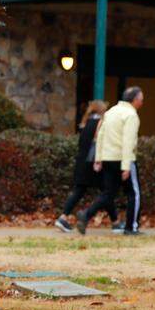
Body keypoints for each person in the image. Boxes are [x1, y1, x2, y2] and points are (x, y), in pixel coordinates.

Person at [77, 86, 143, 236]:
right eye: (141, 99)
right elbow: (128, 141)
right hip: (123, 158)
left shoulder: (110, 112)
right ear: (134, 100)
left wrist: (99, 158)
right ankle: (131, 226)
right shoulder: (131, 115)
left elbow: (100, 135)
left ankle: (86, 214)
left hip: (108, 158)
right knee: (134, 193)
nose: (142, 102)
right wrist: (126, 166)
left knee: (108, 193)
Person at [54, 100, 110, 233]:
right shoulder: (100, 124)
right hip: (93, 163)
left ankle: (63, 217)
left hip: (82, 162)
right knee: (107, 191)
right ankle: (116, 221)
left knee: (80, 191)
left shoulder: (85, 123)